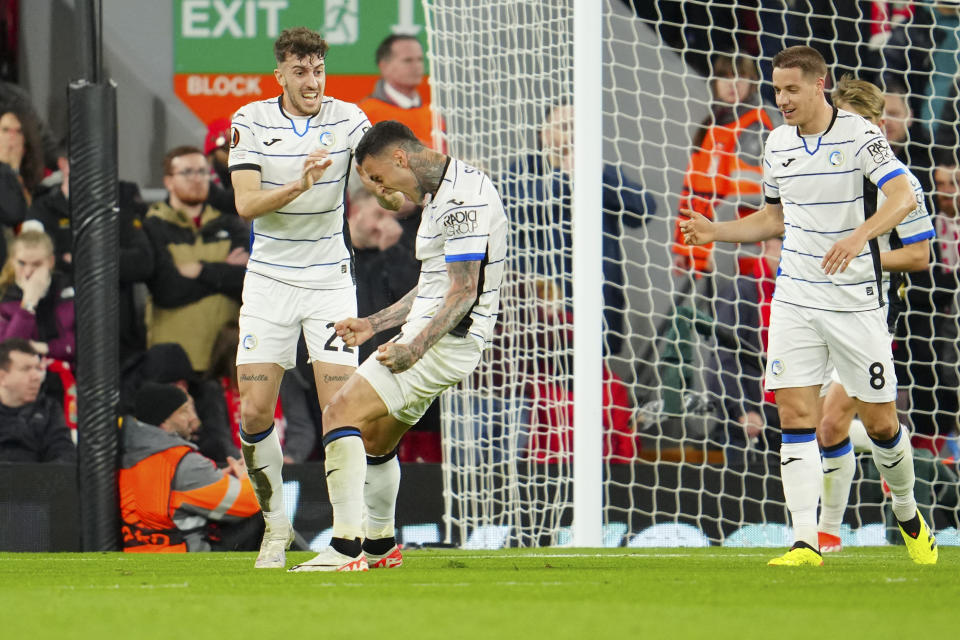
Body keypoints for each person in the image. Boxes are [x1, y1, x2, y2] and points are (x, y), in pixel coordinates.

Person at [680, 46, 937, 566]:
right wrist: (717, 232)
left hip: (857, 304)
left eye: (791, 89)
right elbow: (772, 219)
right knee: (799, 417)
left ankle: (908, 512)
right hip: (794, 295)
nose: (782, 99)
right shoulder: (776, 144)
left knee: (882, 424)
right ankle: (807, 541)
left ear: (819, 86)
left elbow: (906, 203)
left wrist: (859, 240)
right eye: (777, 90)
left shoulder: (863, 138)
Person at [287, 119, 507, 572]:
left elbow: (463, 293)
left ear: (401, 158)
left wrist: (415, 349)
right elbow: (432, 287)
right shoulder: (440, 195)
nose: (382, 190)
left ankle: (345, 549)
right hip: (433, 337)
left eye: (380, 177)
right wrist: (373, 323)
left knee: (338, 413)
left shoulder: (462, 200)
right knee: (374, 438)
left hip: (445, 341)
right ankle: (382, 546)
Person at [227, 26, 372, 569]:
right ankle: (275, 529)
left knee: (341, 406)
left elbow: (377, 168)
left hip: (330, 281)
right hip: (268, 280)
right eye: (301, 71)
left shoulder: (349, 118)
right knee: (256, 408)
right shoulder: (251, 121)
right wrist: (299, 185)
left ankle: (347, 539)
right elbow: (246, 205)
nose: (312, 82)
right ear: (280, 75)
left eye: (318, 70)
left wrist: (397, 189)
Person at [814, 76, 936, 553]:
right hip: (819, 306)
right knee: (828, 425)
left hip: (873, 312)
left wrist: (857, 254)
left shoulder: (901, 184)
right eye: (844, 123)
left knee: (853, 421)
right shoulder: (823, 176)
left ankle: (906, 510)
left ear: (880, 127)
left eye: (861, 124)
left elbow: (921, 256)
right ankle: (826, 536)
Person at [503, 100, 654, 356]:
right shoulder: (523, 170)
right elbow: (522, 210)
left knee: (598, 377)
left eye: (579, 128)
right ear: (543, 133)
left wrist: (601, 173)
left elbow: (643, 210)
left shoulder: (599, 171)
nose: (573, 135)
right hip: (544, 304)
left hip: (598, 301)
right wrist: (566, 176)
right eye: (564, 127)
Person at [26, 143, 154, 363]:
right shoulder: (42, 208)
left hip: (118, 338)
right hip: (57, 338)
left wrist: (74, 259)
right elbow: (34, 265)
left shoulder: (122, 202)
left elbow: (143, 263)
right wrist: (109, 260)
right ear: (63, 164)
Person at [119, 382, 262, 552]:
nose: (192, 418)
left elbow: (171, 487)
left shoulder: (127, 451)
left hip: (136, 554)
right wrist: (247, 475)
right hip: (182, 558)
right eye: (184, 411)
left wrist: (216, 477)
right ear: (164, 421)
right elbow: (247, 502)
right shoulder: (180, 461)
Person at [143, 145, 249, 374]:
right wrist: (225, 271)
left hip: (225, 360)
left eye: (202, 172)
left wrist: (201, 270)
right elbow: (167, 289)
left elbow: (248, 282)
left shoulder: (229, 224)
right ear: (168, 181)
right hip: (173, 363)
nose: (197, 179)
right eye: (187, 172)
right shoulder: (153, 225)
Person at [672, 53, 777, 277]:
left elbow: (744, 198)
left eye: (741, 77)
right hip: (704, 244)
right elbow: (691, 192)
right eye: (725, 77)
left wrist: (715, 247)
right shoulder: (710, 126)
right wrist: (683, 247)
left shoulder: (755, 127)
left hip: (737, 250)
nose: (733, 84)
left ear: (752, 83)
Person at [0, 230, 74, 364]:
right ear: (12, 261)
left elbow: (85, 342)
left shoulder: (69, 289)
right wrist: (29, 303)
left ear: (51, 262)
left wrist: (47, 348)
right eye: (21, 263)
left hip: (74, 376)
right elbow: (7, 354)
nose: (28, 272)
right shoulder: (4, 298)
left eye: (36, 264)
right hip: (24, 380)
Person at [0, 338, 75, 463]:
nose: (37, 376)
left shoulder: (48, 409)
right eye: (26, 369)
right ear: (2, 377)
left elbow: (64, 454)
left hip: (37, 480)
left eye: (37, 368)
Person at [357, 34, 439, 149]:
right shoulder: (364, 113)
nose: (417, 66)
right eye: (407, 60)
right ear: (384, 66)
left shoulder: (434, 115)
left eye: (420, 59)